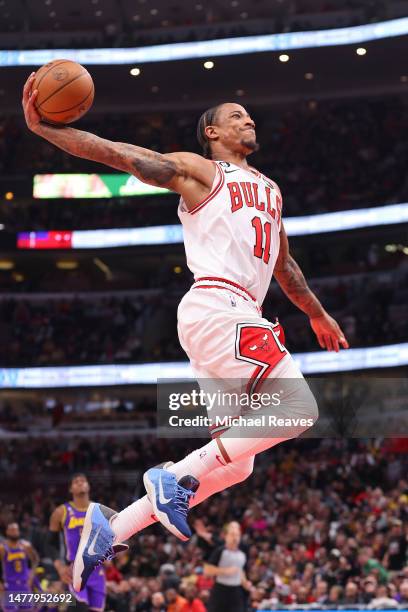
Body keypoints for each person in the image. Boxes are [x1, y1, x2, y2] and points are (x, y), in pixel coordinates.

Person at [22, 76, 349, 593]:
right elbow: (123, 156)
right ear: (213, 132)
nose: (249, 120)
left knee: (238, 465)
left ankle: (111, 525)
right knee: (301, 409)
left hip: (232, 315)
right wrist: (46, 130)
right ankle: (168, 478)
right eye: (237, 115)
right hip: (221, 305)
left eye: (250, 114)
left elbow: (285, 266)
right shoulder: (203, 172)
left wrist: (317, 312)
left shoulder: (270, 189)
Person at [48, 473, 127, 611]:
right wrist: (59, 567)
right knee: (79, 608)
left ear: (88, 486)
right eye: (76, 481)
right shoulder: (61, 512)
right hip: (75, 568)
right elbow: (50, 543)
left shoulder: (100, 510)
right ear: (71, 489)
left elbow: (114, 535)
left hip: (98, 570)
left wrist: (113, 556)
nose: (80, 483)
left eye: (83, 480)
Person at [204, 521, 250, 612]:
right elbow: (207, 571)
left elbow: (240, 570)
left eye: (237, 535)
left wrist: (246, 584)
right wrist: (225, 571)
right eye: (232, 535)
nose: (235, 538)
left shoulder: (242, 554)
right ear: (226, 536)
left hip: (236, 592)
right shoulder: (220, 551)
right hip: (220, 590)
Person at [0, 522, 39, 612]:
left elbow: (35, 559)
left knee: (28, 610)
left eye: (16, 530)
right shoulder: (2, 548)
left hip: (24, 584)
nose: (15, 532)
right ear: (7, 532)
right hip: (10, 585)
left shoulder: (25, 545)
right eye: (12, 530)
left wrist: (31, 576)